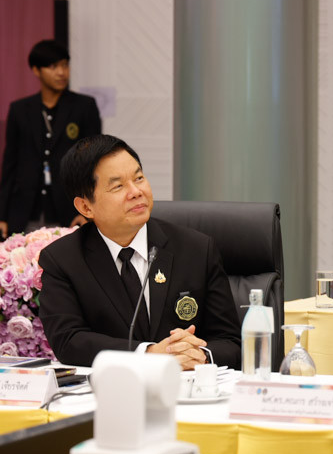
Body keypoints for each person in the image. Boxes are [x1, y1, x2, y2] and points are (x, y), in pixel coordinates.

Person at [38, 134, 242, 368]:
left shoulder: (196, 249)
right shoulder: (63, 260)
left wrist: (199, 355)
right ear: (86, 206)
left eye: (139, 178)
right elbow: (68, 341)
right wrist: (148, 353)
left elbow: (231, 342)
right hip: (111, 386)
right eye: (118, 186)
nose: (136, 191)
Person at [0, 40, 102, 242]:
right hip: (25, 213)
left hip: (70, 212)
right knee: (24, 260)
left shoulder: (84, 107)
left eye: (65, 65)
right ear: (36, 70)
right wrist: (3, 217)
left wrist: (87, 211)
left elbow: (93, 164)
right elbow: (10, 165)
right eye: (53, 67)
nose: (61, 72)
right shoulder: (20, 110)